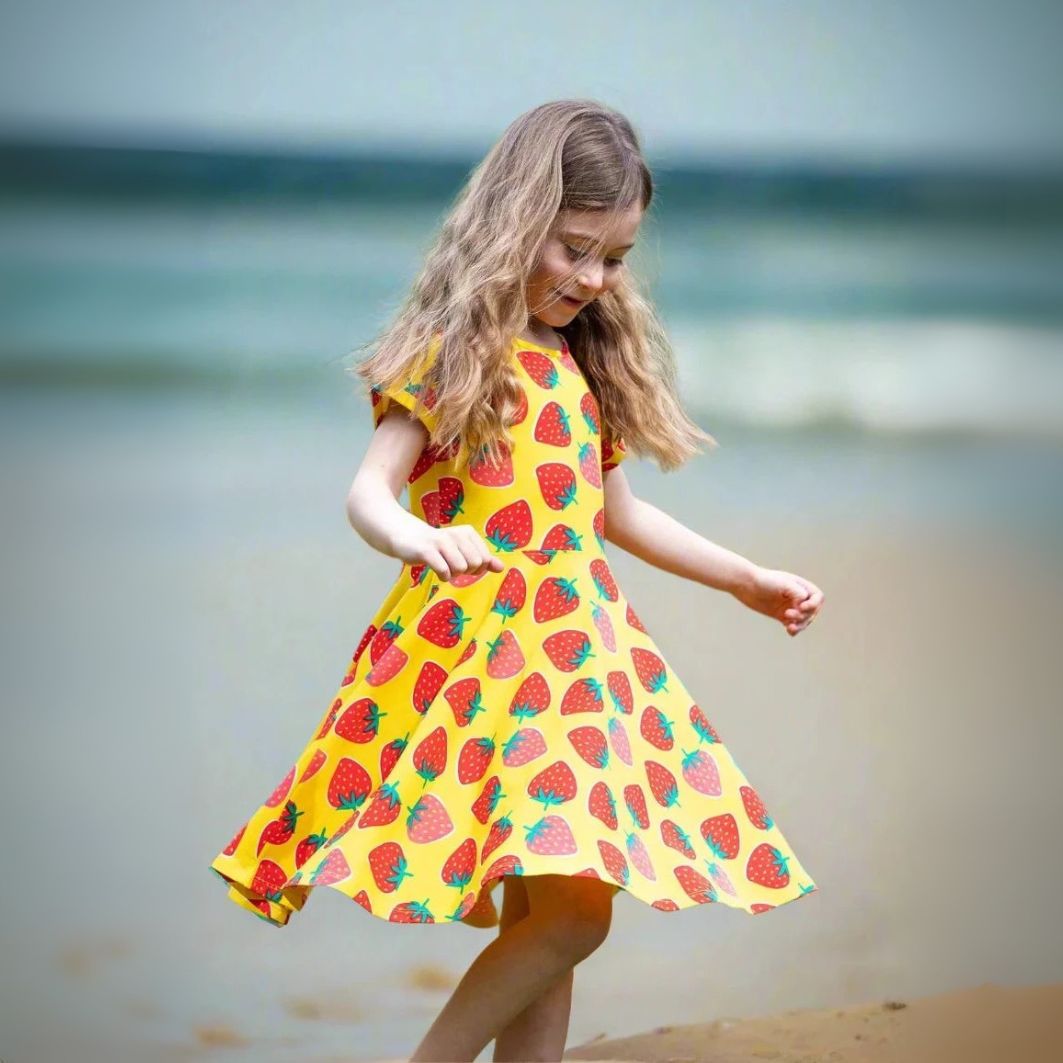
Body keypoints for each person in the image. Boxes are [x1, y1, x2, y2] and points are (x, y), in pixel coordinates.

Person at [209, 98, 824, 1063]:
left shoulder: (579, 366)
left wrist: (742, 577)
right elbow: (367, 493)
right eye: (574, 248)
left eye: (614, 257)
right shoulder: (452, 355)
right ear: (514, 222)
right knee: (574, 915)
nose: (594, 278)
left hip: (579, 653)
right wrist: (416, 536)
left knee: (556, 905)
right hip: (485, 655)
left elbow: (618, 515)